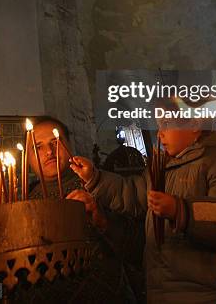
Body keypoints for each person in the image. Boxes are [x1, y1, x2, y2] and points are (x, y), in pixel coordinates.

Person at [71, 114, 216, 304]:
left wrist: (181, 210)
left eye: (166, 124)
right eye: (158, 125)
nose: (159, 134)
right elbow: (134, 193)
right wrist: (95, 178)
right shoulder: (161, 168)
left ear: (194, 124)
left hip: (210, 290)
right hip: (161, 286)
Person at [28, 116, 137, 303]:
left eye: (55, 142)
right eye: (38, 147)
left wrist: (102, 220)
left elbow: (136, 247)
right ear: (27, 158)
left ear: (69, 145)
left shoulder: (98, 184)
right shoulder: (24, 202)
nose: (49, 152)